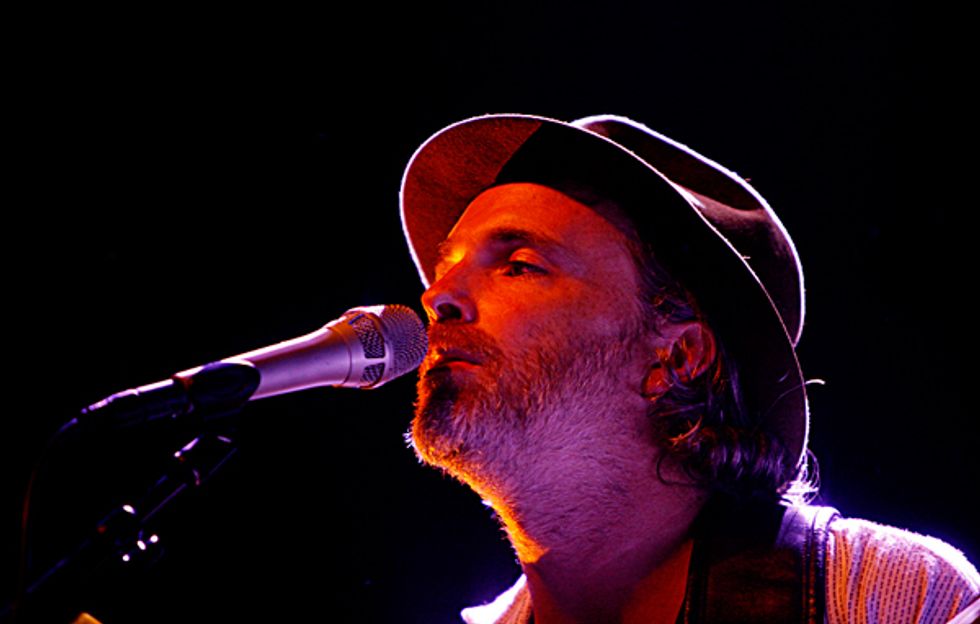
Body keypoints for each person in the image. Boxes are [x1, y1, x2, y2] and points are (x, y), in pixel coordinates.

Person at [398, 114, 980, 624]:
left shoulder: (887, 596)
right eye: (447, 267)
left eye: (520, 265)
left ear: (678, 357)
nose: (436, 297)